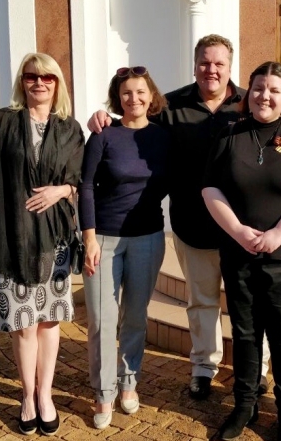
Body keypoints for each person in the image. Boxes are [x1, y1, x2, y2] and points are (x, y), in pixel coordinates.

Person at [87, 34, 271, 400]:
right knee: (202, 301)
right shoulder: (171, 106)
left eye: (219, 63)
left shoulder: (248, 103)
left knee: (248, 302)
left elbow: (277, 128)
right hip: (192, 224)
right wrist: (103, 117)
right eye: (204, 62)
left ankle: (256, 367)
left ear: (230, 67)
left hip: (244, 228)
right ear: (195, 64)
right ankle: (204, 367)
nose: (211, 70)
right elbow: (134, 119)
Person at [202, 61, 281, 441]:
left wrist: (279, 234)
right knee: (245, 334)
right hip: (239, 255)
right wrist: (238, 231)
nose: (264, 96)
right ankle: (244, 405)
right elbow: (210, 188)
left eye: (273, 89)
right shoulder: (230, 135)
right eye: (257, 88)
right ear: (247, 93)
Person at [0, 53, 84, 436]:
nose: (39, 82)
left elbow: (82, 178)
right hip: (12, 237)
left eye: (47, 77)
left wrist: (61, 190)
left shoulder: (69, 129)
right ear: (22, 82)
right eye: (31, 76)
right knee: (24, 324)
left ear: (57, 83)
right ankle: (27, 396)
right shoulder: (3, 121)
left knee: (49, 321)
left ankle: (46, 395)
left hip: (55, 238)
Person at [79, 66, 170, 429]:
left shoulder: (163, 137)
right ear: (118, 98)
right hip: (103, 238)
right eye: (126, 93)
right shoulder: (104, 135)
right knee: (102, 319)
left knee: (134, 316)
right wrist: (88, 237)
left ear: (151, 95)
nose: (134, 98)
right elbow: (86, 186)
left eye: (140, 92)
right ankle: (103, 392)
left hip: (148, 237)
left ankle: (129, 382)